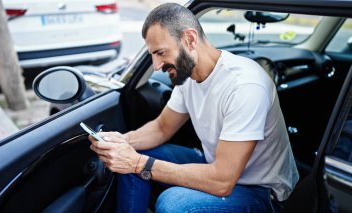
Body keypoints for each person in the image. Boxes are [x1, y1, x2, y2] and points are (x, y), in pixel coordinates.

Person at [89, 3, 299, 213]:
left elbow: (222, 181)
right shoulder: (187, 75)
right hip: (215, 165)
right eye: (153, 55)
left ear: (189, 39)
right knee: (131, 153)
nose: (156, 66)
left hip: (261, 191)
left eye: (161, 52)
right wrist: (123, 142)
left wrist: (137, 163)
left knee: (173, 204)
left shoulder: (245, 86)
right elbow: (162, 127)